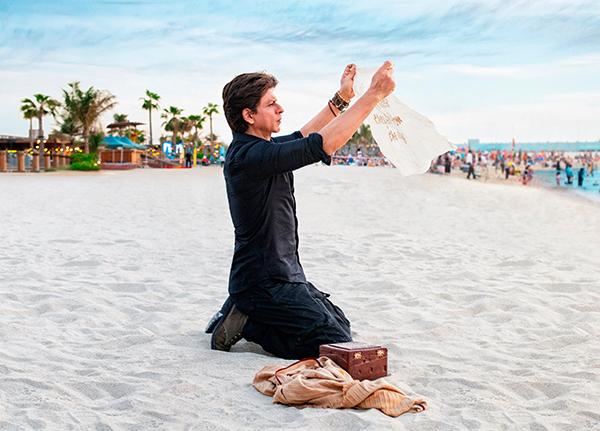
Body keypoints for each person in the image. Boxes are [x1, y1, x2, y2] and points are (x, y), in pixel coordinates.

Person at [207, 62, 395, 359]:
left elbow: (304, 136)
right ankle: (252, 322)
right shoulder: (249, 156)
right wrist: (373, 95)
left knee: (340, 324)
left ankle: (244, 312)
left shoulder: (262, 148)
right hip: (263, 282)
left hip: (286, 274)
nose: (280, 108)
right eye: (271, 104)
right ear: (249, 115)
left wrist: (342, 98)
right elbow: (320, 145)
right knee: (330, 340)